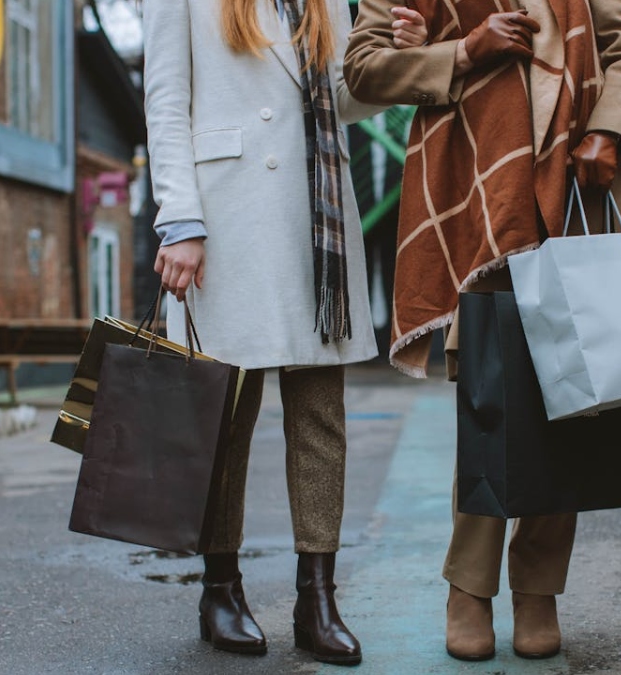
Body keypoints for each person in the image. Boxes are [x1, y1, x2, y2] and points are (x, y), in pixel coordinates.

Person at [344, 0, 621, 661]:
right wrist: (462, 51)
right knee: (489, 396)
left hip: (575, 184)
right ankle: (471, 587)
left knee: (573, 398)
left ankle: (538, 587)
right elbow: (364, 69)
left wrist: (611, 128)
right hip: (476, 200)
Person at [142, 0, 421, 665]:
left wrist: (396, 59)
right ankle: (220, 589)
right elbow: (165, 102)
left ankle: (316, 598)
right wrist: (179, 219)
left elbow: (344, 97)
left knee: (321, 417)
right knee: (224, 419)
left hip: (311, 221)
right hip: (227, 218)